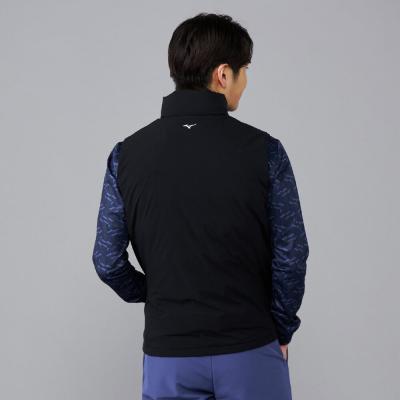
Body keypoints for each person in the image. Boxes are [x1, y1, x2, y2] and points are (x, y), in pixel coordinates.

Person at [92, 12, 309, 400]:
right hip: (249, 348)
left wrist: (156, 291)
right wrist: (281, 328)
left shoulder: (125, 156)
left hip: (168, 355)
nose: (246, 81)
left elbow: (107, 261)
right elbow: (291, 255)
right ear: (223, 75)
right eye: (244, 70)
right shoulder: (266, 152)